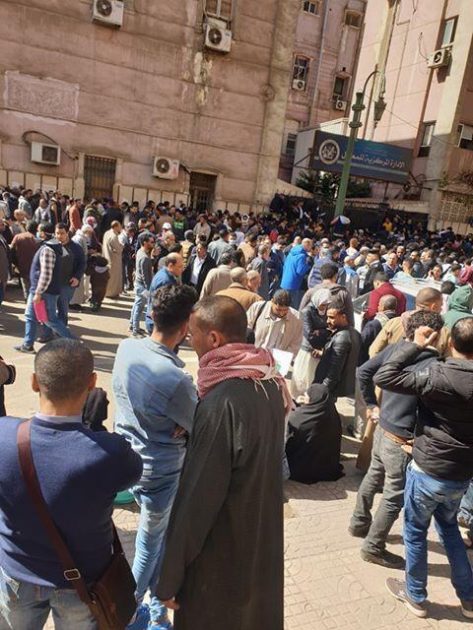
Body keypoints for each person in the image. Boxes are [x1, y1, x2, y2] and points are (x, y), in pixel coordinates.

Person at [156, 296, 289, 630]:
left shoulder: (221, 403)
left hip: (220, 556)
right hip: (258, 541)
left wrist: (170, 577)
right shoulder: (268, 381)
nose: (189, 340)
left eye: (193, 335)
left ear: (214, 338)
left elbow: (197, 499)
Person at [0, 339, 142, 629]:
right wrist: (94, 428)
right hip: (82, 581)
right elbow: (133, 473)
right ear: (92, 382)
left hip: (18, 573)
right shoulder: (111, 453)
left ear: (34, 382)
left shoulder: (4, 437)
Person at [375, 317, 473, 620]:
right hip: (460, 474)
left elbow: (384, 375)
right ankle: (469, 599)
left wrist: (415, 345)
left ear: (450, 342)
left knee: (415, 532)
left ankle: (415, 595)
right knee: (450, 530)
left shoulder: (436, 375)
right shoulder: (438, 374)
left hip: (428, 468)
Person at [114, 285, 198, 630]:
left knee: (158, 537)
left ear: (151, 315)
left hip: (128, 461)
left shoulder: (126, 347)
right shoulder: (176, 379)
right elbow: (198, 424)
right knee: (149, 544)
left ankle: (156, 606)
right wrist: (185, 423)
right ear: (186, 326)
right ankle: (128, 611)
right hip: (159, 472)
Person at [351, 311, 444, 569]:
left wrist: (373, 405)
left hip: (383, 429)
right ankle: (373, 546)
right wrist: (372, 404)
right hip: (402, 439)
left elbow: (363, 372)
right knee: (394, 495)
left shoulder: (397, 350)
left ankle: (359, 522)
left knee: (374, 476)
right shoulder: (434, 365)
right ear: (434, 335)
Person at [15, 225, 75, 354]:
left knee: (50, 319)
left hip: (44, 292)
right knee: (30, 316)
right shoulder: (52, 247)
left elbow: (46, 275)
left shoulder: (48, 249)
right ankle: (27, 345)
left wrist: (38, 293)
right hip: (42, 291)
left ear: (43, 233)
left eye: (39, 231)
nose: (37, 233)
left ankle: (74, 343)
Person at [286, 384, 343, 483]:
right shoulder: (333, 416)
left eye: (306, 395)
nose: (304, 397)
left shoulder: (298, 417)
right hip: (327, 467)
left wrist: (296, 404)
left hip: (301, 468)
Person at [369, 287, 449, 357]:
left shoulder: (393, 323)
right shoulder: (443, 331)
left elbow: (374, 350)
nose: (441, 309)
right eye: (441, 305)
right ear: (433, 306)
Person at [314, 304, 361, 400]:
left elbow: (334, 371)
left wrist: (323, 390)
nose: (328, 321)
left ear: (343, 317)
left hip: (331, 389)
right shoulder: (354, 333)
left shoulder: (342, 338)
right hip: (338, 388)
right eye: (327, 317)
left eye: (332, 317)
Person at [290, 289, 331, 400]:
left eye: (326, 305)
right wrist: (325, 332)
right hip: (307, 351)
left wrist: (321, 332)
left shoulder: (326, 311)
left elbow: (330, 330)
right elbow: (310, 335)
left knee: (313, 381)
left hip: (319, 351)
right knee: (302, 382)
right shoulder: (307, 312)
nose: (324, 307)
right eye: (323, 304)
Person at [246, 289, 303, 357]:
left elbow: (295, 345)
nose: (281, 313)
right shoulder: (257, 308)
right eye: (278, 310)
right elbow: (246, 330)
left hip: (278, 360)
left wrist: (282, 358)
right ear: (272, 301)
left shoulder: (297, 319)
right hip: (253, 355)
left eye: (285, 310)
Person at [52, 223, 86, 327]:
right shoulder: (51, 246)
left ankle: (61, 330)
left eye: (62, 233)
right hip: (52, 282)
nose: (59, 236)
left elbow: (82, 264)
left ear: (67, 233)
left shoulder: (76, 248)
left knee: (63, 307)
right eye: (57, 233)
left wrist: (77, 277)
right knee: (51, 307)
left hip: (67, 283)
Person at [145, 253, 184, 334]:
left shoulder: (163, 273)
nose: (182, 269)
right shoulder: (165, 281)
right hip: (159, 324)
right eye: (179, 266)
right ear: (170, 266)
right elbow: (162, 306)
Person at [129, 231, 155, 338]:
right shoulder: (144, 257)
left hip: (139, 284)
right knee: (139, 308)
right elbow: (145, 276)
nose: (153, 244)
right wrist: (149, 289)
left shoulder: (140, 252)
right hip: (142, 287)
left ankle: (132, 325)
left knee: (136, 305)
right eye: (151, 242)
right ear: (144, 242)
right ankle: (135, 329)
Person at [358, 295, 397, 365]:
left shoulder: (374, 324)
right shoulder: (397, 322)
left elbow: (361, 342)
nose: (378, 307)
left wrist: (364, 322)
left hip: (368, 362)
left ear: (382, 307)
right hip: (387, 361)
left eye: (379, 305)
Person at [10, 220, 39, 300]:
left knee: (26, 290)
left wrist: (16, 264)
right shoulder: (38, 240)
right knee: (36, 290)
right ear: (36, 228)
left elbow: (11, 251)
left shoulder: (18, 237)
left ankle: (28, 302)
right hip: (36, 269)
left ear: (26, 227)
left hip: (22, 267)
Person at [280, 238, 313, 308]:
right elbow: (300, 271)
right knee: (294, 308)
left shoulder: (291, 252)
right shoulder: (302, 256)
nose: (311, 248)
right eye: (311, 246)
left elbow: (284, 265)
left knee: (284, 305)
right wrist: (308, 265)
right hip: (294, 284)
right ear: (307, 245)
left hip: (285, 282)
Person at [103, 220, 124, 298]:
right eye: (119, 226)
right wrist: (122, 246)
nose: (120, 228)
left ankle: (108, 292)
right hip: (114, 259)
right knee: (114, 278)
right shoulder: (114, 236)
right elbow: (119, 249)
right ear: (115, 227)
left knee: (110, 277)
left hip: (107, 257)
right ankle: (112, 293)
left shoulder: (106, 233)